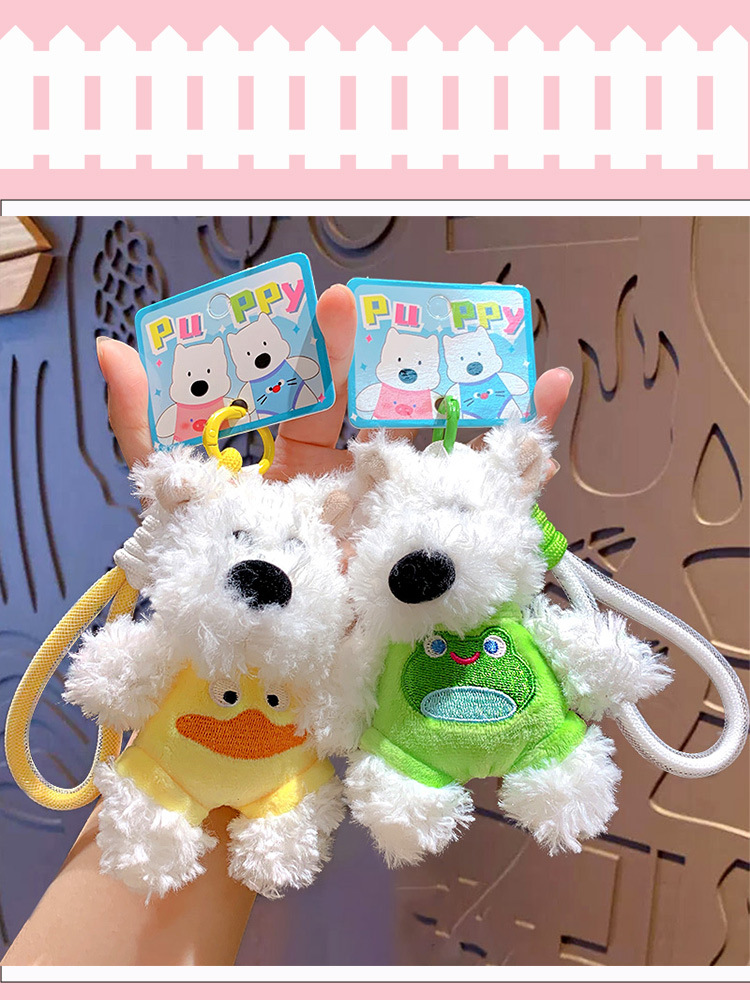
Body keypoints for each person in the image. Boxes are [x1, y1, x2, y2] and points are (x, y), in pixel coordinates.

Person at [1, 284, 573, 966]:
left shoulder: (331, 621)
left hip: (274, 776)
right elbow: (118, 673)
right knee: (167, 815)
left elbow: (343, 699)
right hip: (178, 771)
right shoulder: (196, 606)